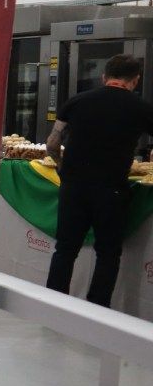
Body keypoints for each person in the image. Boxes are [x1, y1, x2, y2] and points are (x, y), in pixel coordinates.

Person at [45, 53, 153, 307]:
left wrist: (62, 167)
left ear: (104, 77)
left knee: (65, 248)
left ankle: (51, 303)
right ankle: (97, 309)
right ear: (135, 80)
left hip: (73, 187)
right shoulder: (141, 108)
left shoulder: (77, 101)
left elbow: (52, 143)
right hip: (111, 190)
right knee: (107, 253)